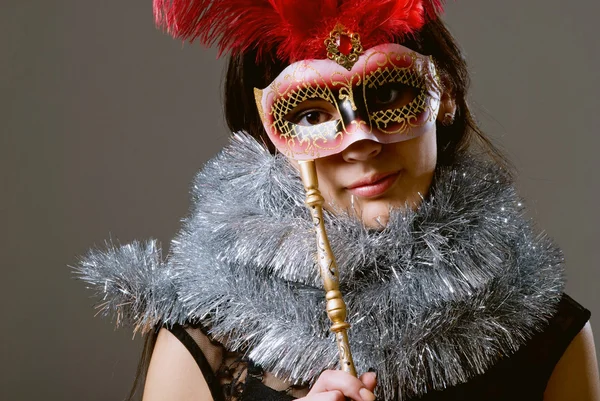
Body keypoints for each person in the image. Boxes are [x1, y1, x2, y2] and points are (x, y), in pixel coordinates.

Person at [76, 1, 600, 400]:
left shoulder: (546, 333)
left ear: (444, 94)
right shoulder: (207, 341)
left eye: (390, 92)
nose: (362, 141)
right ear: (267, 139)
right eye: (309, 114)